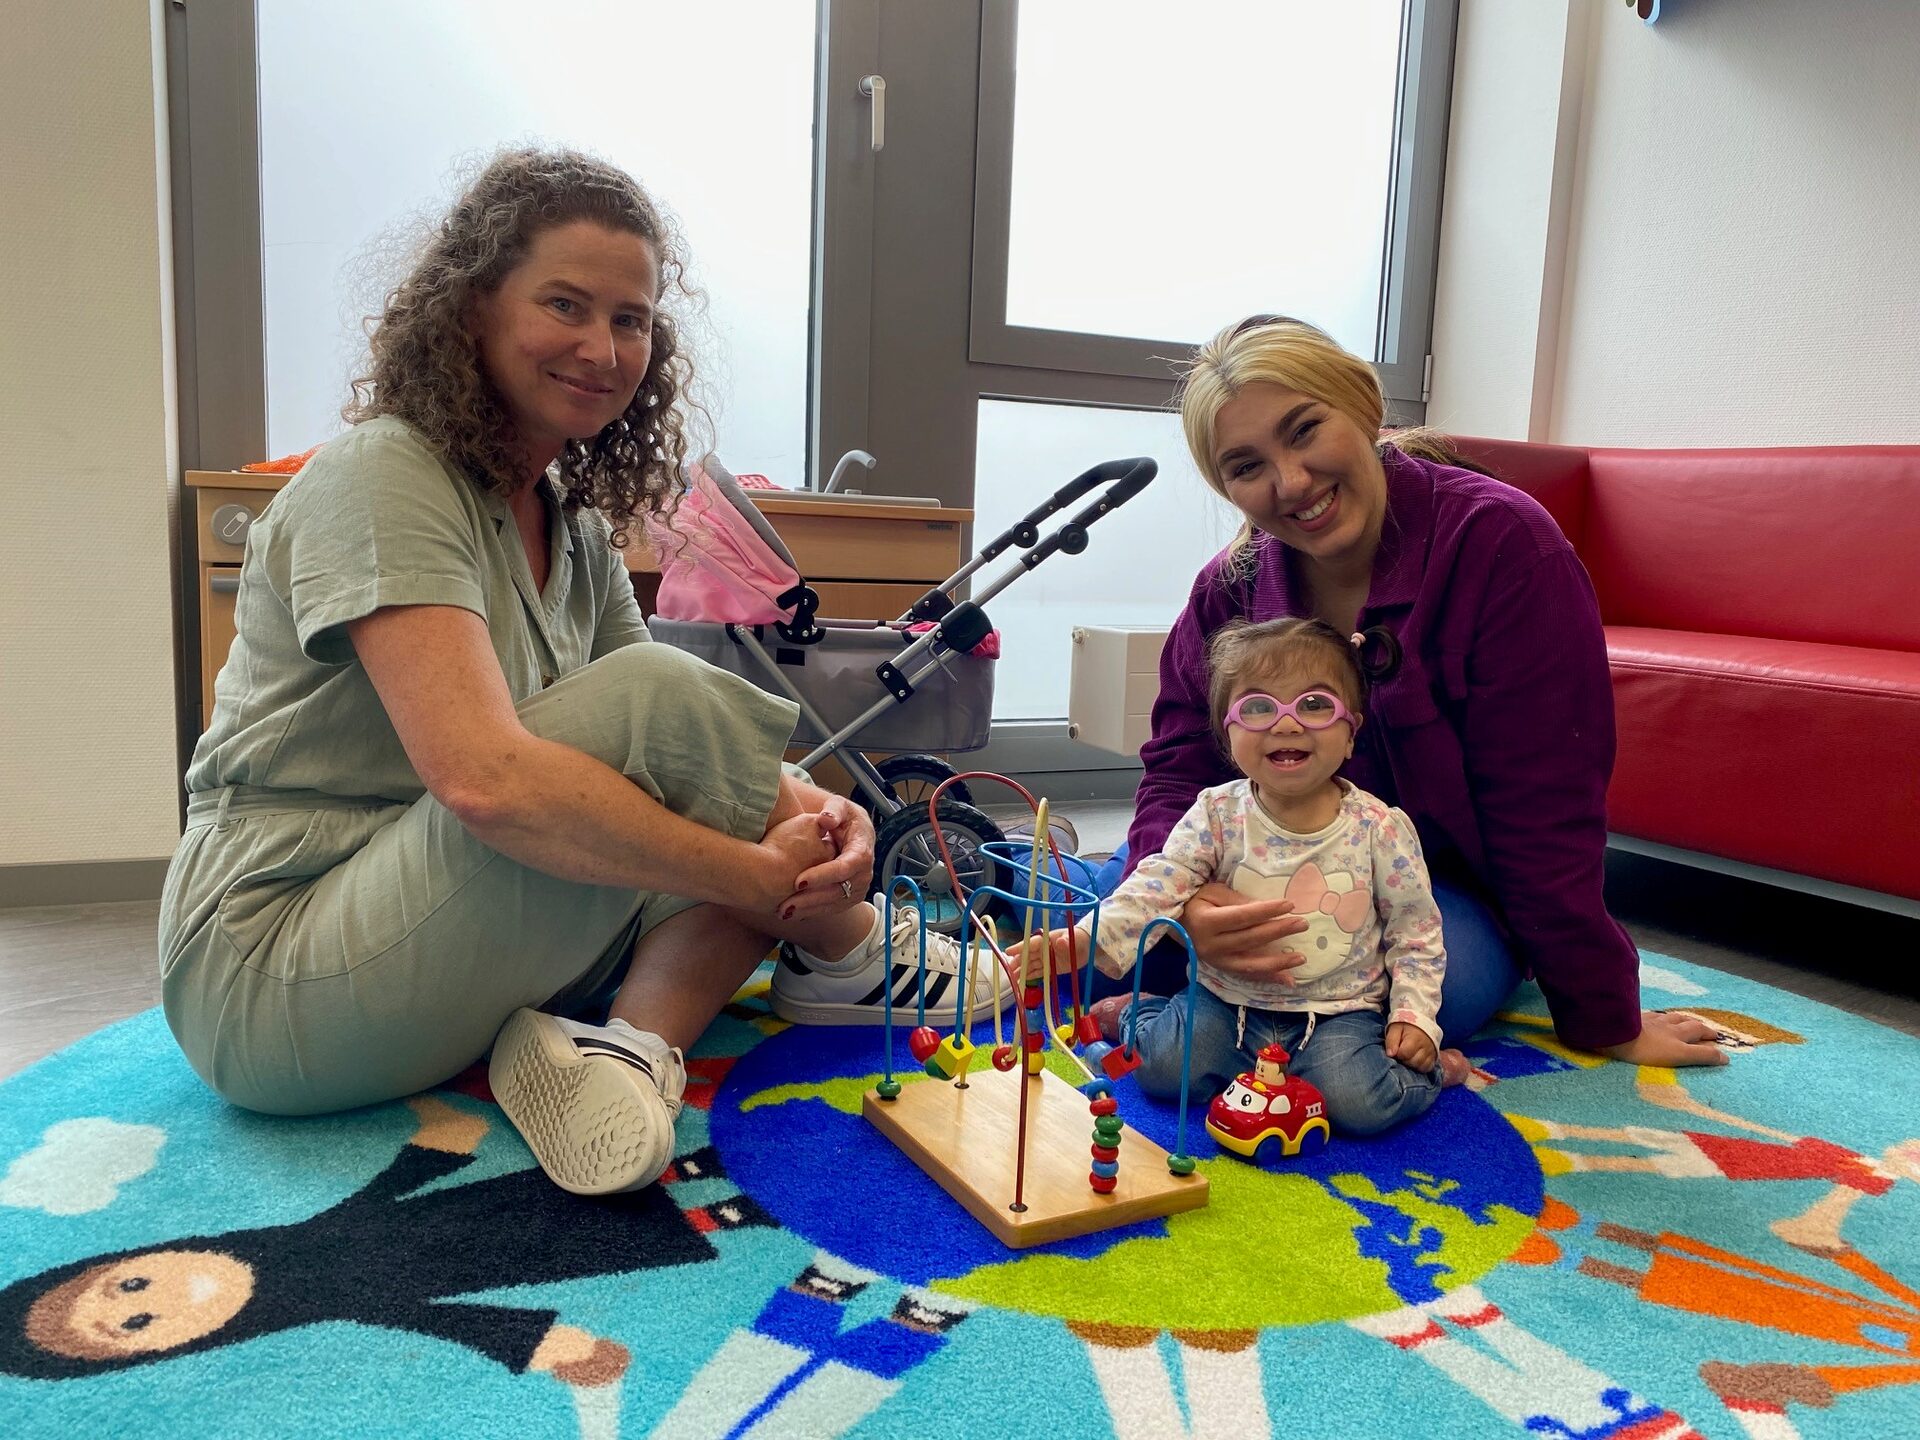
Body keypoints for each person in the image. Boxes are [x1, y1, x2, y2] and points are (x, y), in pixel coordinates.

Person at [158, 149, 989, 1199]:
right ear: (471, 308)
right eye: (565, 305)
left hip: (438, 931)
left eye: (632, 319)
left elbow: (691, 774)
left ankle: (628, 1054)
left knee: (720, 818)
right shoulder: (383, 473)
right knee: (682, 744)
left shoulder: (574, 527)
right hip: (272, 975)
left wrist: (822, 817)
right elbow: (487, 781)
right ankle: (853, 947)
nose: (604, 348)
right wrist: (763, 871)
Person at [1113, 315, 1727, 1068]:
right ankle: (1089, 914)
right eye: (1246, 467)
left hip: (1436, 896)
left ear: (1365, 404)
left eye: (1305, 431)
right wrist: (1185, 904)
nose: (1291, 483)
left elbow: (1546, 808)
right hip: (1259, 862)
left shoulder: (1505, 547)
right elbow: (1179, 766)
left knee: (1406, 1013)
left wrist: (1604, 1014)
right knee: (1113, 930)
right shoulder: (1229, 587)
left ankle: (1164, 988)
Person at [1022, 617, 1470, 1135]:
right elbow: (1157, 884)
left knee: (1359, 1104)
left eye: (1315, 704)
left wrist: (1414, 1017)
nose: (1287, 724)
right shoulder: (1215, 815)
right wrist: (1085, 938)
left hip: (1340, 1012)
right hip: (1225, 1000)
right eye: (1258, 707)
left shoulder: (1380, 828)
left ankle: (1436, 1073)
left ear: (1352, 733)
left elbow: (1415, 932)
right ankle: (1135, 1012)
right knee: (1164, 1071)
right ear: (1227, 733)